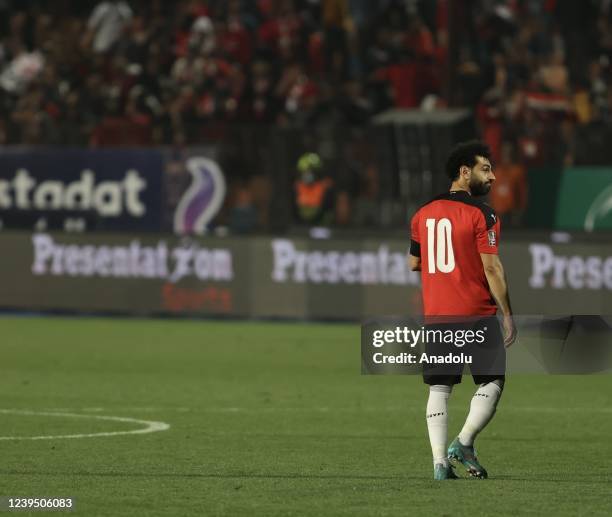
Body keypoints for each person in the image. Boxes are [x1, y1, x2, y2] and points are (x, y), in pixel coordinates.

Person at [409, 140, 517, 480]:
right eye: (486, 169)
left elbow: (414, 262)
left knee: (439, 389)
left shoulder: (422, 212)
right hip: (476, 313)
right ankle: (464, 442)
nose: (493, 177)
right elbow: (493, 268)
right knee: (493, 381)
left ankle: (440, 463)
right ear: (464, 172)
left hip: (438, 315)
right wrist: (509, 314)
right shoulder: (482, 214)